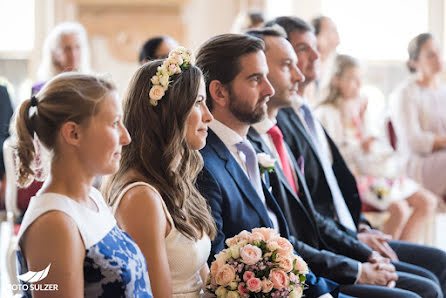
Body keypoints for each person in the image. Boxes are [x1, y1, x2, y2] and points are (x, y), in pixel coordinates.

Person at [245, 26, 440, 298]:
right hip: (315, 260)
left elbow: (327, 192)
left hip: (339, 237)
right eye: (300, 52)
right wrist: (357, 261)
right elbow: (297, 224)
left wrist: (359, 234)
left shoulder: (291, 118)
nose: (314, 58)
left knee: (436, 266)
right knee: (424, 288)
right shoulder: (267, 134)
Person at [195, 33, 340, 298]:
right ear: (219, 92)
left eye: (266, 76)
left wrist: (320, 290)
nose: (269, 90)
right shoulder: (205, 165)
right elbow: (218, 265)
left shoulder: (253, 149)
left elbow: (281, 239)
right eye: (255, 79)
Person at [14, 72, 152, 297]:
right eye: (115, 122)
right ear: (73, 133)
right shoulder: (54, 223)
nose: (125, 137)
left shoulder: (93, 199)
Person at [103, 47, 216, 297]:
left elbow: (201, 278)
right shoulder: (141, 198)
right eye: (198, 102)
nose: (208, 116)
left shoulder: (176, 182)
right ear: (167, 112)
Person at [315, 54, 437, 243]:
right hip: (354, 177)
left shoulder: (360, 107)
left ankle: (406, 254)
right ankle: (387, 257)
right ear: (336, 80)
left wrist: (365, 124)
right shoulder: (326, 113)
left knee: (427, 202)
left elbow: (376, 143)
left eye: (360, 79)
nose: (358, 85)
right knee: (399, 210)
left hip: (377, 172)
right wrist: (360, 147)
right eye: (353, 79)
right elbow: (331, 157)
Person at [390, 33, 446, 198]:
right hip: (417, 164)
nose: (438, 58)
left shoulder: (443, 91)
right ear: (414, 62)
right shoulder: (405, 93)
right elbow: (414, 141)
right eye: (430, 55)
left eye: (439, 52)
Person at [34, 22, 91, 94]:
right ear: (54, 54)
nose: (73, 54)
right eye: (67, 48)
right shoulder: (41, 90)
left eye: (77, 47)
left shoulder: (91, 87)